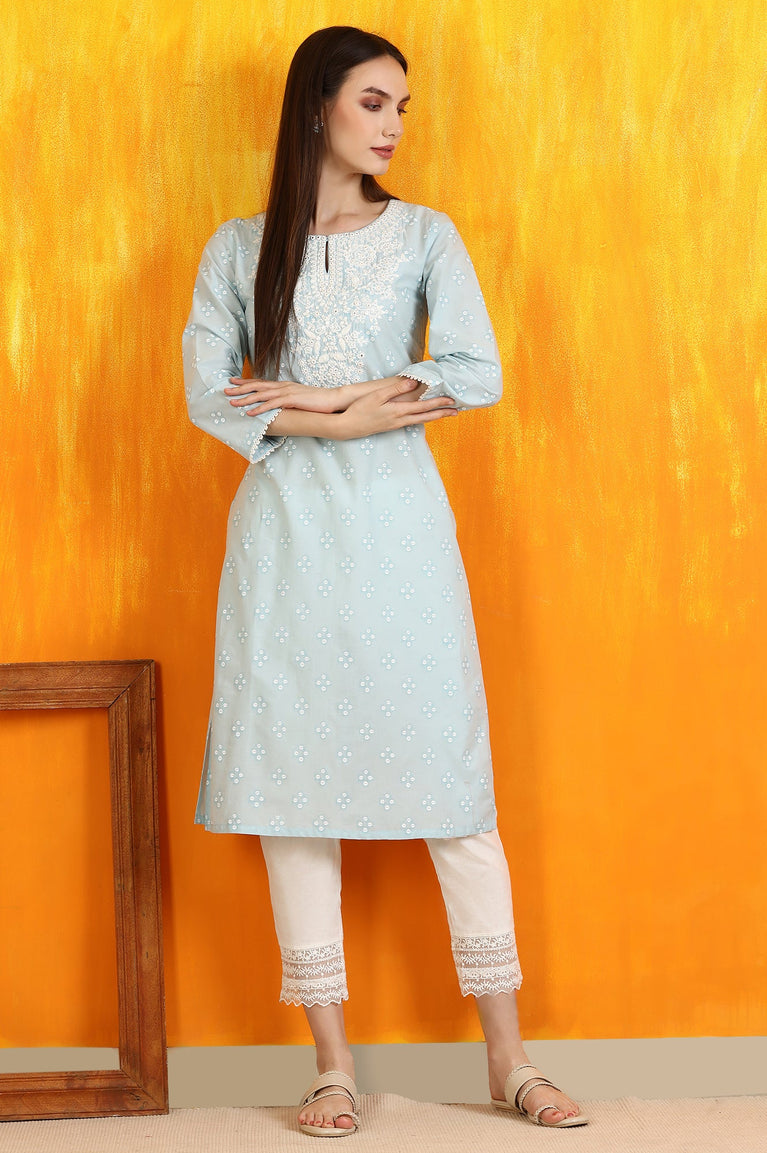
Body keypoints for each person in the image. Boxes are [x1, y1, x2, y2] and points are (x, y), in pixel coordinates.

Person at [183, 25, 588, 1136]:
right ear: (317, 105)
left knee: (453, 785)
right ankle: (330, 1064)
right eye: (374, 101)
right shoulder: (238, 247)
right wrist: (336, 422)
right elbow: (213, 393)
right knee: (291, 795)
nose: (394, 124)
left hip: (399, 533)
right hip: (284, 540)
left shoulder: (423, 235)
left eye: (401, 106)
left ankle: (508, 1057)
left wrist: (326, 397)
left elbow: (471, 370)